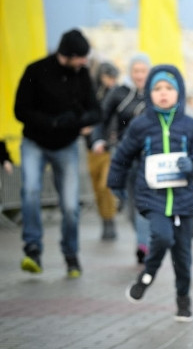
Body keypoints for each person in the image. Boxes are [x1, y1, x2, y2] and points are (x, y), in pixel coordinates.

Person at [107, 65, 193, 322]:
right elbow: (122, 156)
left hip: (183, 201)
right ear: (149, 93)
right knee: (163, 237)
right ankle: (147, 275)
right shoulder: (141, 125)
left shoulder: (191, 126)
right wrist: (116, 183)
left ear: (179, 92)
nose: (163, 94)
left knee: (183, 256)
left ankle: (183, 299)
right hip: (152, 198)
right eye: (157, 89)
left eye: (169, 88)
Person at [14, 28, 103, 277]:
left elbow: (96, 112)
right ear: (68, 54)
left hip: (66, 146)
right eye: (81, 57)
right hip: (35, 142)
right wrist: (51, 122)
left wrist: (75, 120)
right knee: (31, 191)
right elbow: (20, 110)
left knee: (70, 204)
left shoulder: (82, 75)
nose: (84, 61)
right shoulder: (36, 70)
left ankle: (71, 255)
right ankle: (32, 248)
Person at [99, 53, 153, 264]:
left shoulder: (156, 93)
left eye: (143, 71)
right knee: (128, 204)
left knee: (141, 202)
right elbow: (101, 118)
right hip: (124, 154)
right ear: (130, 72)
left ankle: (143, 245)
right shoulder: (119, 93)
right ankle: (143, 237)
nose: (139, 75)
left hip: (148, 157)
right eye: (136, 71)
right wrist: (98, 140)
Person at [87, 60, 120, 241]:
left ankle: (110, 220)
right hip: (90, 148)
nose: (112, 81)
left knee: (105, 185)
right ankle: (105, 220)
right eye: (109, 77)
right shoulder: (91, 93)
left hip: (108, 147)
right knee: (97, 189)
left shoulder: (116, 94)